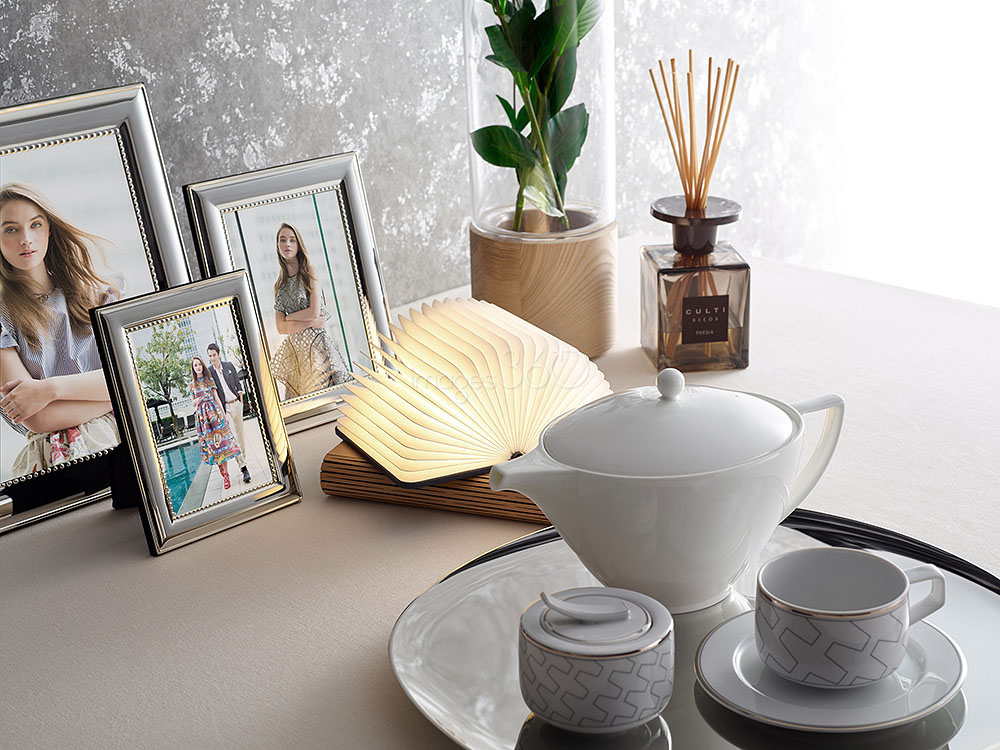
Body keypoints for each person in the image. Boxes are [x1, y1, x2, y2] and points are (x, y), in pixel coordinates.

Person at [0, 182, 121, 478]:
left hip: (124, 442)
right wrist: (117, 397)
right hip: (56, 463)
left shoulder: (98, 294)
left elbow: (131, 377)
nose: (26, 239)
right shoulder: (3, 317)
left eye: (35, 224)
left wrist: (48, 389)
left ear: (49, 229)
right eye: (11, 229)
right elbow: (36, 416)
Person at [270, 222, 350, 399]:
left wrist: (289, 317)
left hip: (317, 347)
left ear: (298, 245)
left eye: (292, 240)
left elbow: (314, 312)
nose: (287, 244)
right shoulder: (279, 286)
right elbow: (281, 328)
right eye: (282, 240)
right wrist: (310, 322)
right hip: (297, 354)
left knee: (332, 397)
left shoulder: (310, 271)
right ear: (278, 245)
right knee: (305, 404)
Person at [189, 355, 242, 491]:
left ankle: (226, 475)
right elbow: (193, 403)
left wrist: (223, 415)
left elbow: (217, 398)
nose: (198, 367)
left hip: (215, 414)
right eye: (195, 365)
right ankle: (223, 473)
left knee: (221, 445)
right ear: (193, 368)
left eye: (199, 364)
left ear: (202, 366)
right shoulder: (192, 385)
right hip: (203, 419)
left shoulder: (209, 380)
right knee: (212, 447)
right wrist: (196, 401)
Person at [206, 342, 251, 483]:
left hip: (236, 404)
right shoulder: (209, 372)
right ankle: (244, 468)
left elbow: (238, 384)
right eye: (210, 356)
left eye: (214, 355)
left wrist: (241, 401)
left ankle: (243, 460)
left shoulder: (229, 366)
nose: (212, 358)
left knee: (241, 435)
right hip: (224, 409)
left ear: (219, 354)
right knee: (233, 437)